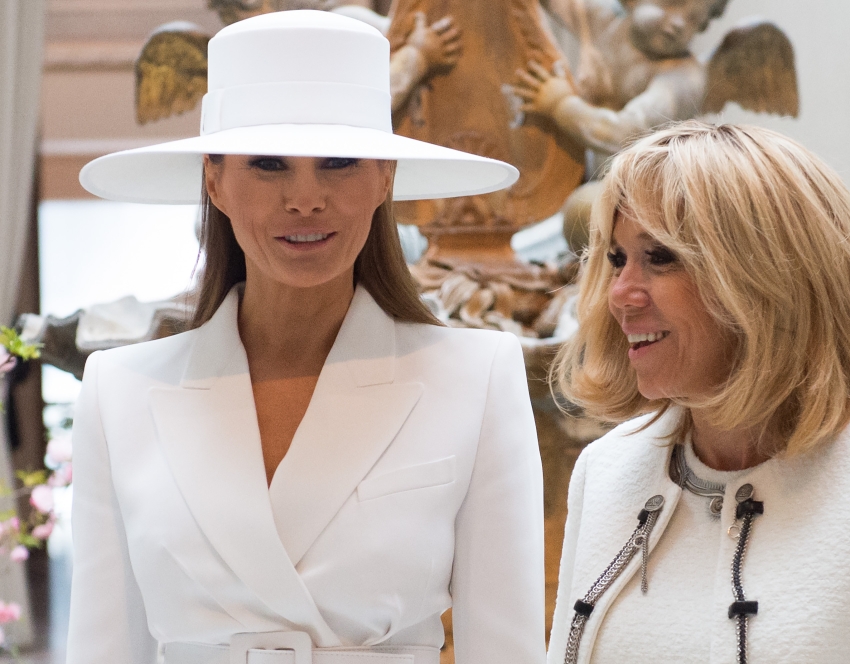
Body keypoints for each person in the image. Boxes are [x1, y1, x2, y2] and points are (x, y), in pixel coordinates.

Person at [66, 11, 545, 664]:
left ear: (384, 176)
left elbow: (507, 649)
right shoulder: (119, 391)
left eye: (339, 162)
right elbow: (102, 648)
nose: (306, 198)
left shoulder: (477, 377)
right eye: (269, 164)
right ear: (214, 179)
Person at [548, 121, 850, 664]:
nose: (620, 294)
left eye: (660, 257)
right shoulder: (606, 469)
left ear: (765, 280)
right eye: (617, 259)